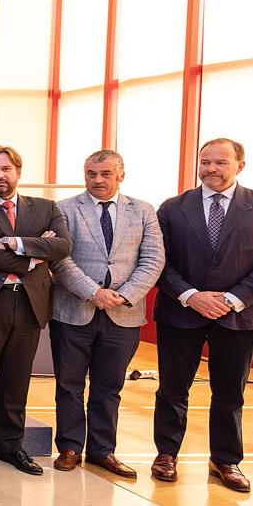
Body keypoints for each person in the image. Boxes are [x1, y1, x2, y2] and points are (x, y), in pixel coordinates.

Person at [151, 138, 253, 493]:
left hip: (240, 316)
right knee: (172, 388)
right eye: (205, 162)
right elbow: (158, 261)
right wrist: (191, 296)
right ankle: (166, 454)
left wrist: (230, 299)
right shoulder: (172, 208)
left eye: (220, 163)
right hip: (182, 312)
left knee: (230, 392)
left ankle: (225, 460)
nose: (211, 169)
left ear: (239, 166)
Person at [0, 145, 71, 476]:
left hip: (30, 303)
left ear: (18, 172)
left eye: (5, 169)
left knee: (17, 379)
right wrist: (36, 253)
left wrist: (12, 243)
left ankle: (11, 445)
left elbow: (63, 246)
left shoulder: (46, 208)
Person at [50, 150, 164, 478]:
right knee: (69, 384)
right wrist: (93, 292)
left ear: (120, 175)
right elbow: (59, 259)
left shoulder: (143, 211)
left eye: (105, 174)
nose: (97, 180)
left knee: (109, 386)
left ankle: (103, 450)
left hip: (124, 314)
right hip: (73, 311)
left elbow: (153, 259)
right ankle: (70, 446)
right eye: (90, 174)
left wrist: (123, 295)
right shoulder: (64, 210)